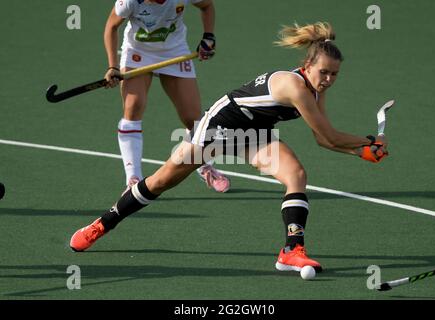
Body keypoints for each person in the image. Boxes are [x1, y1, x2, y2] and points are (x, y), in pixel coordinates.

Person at [70, 22, 388, 273]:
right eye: (324, 72)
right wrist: (366, 142)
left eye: (334, 74)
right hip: (221, 125)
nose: (329, 79)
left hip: (256, 131)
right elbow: (329, 135)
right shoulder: (295, 87)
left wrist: (360, 151)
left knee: (296, 175)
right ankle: (103, 223)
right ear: (306, 65)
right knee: (162, 180)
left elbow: (323, 139)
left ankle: (291, 251)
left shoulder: (316, 90)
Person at [104, 0, 229, 194]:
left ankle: (204, 165)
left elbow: (207, 5)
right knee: (133, 107)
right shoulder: (130, 2)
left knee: (193, 118)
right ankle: (133, 178)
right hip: (138, 53)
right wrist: (112, 66)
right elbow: (111, 27)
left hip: (174, 52)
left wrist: (208, 37)